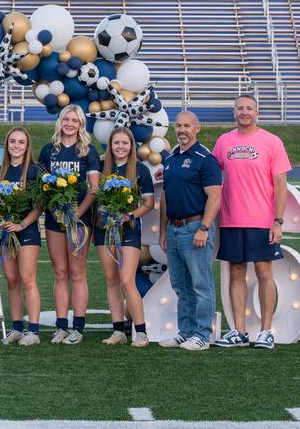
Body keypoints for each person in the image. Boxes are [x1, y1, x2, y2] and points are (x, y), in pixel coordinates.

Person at [212, 95, 291, 350]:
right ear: (234, 113)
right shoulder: (224, 141)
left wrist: (278, 221)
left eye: (249, 108)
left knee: (264, 272)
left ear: (257, 112)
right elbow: (210, 173)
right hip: (231, 219)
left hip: (262, 220)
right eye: (240, 108)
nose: (244, 112)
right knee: (236, 272)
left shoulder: (272, 142)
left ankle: (266, 331)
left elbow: (281, 186)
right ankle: (239, 331)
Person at [158, 111, 222, 351]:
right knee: (181, 286)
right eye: (178, 125)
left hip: (195, 227)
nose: (182, 129)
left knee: (200, 284)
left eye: (187, 125)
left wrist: (204, 228)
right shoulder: (171, 157)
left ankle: (203, 334)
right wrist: (163, 231)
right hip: (174, 229)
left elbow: (215, 197)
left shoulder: (205, 158)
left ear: (197, 129)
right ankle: (185, 332)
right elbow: (165, 196)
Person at [37, 105, 100, 345]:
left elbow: (93, 188)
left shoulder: (87, 150)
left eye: (75, 120)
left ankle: (78, 327)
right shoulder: (48, 150)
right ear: (60, 121)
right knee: (60, 272)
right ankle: (61, 325)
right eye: (67, 119)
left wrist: (77, 213)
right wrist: (54, 208)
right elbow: (42, 186)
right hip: (54, 219)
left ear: (81, 124)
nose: (70, 123)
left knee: (77, 273)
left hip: (79, 221)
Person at [94, 127, 155, 348]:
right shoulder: (101, 168)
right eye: (116, 143)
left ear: (132, 146)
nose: (120, 147)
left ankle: (141, 332)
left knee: (127, 280)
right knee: (112, 281)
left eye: (124, 143)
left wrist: (128, 215)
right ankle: (118, 330)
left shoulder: (140, 170)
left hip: (128, 229)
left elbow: (148, 203)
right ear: (110, 145)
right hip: (104, 230)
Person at [0, 127, 43, 346]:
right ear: (7, 145)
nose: (16, 145)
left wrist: (22, 224)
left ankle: (33, 331)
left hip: (27, 232)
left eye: (21, 142)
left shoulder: (34, 171)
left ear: (27, 146)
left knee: (27, 279)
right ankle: (16, 327)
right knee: (12, 281)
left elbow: (39, 205)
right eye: (12, 141)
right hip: (5, 235)